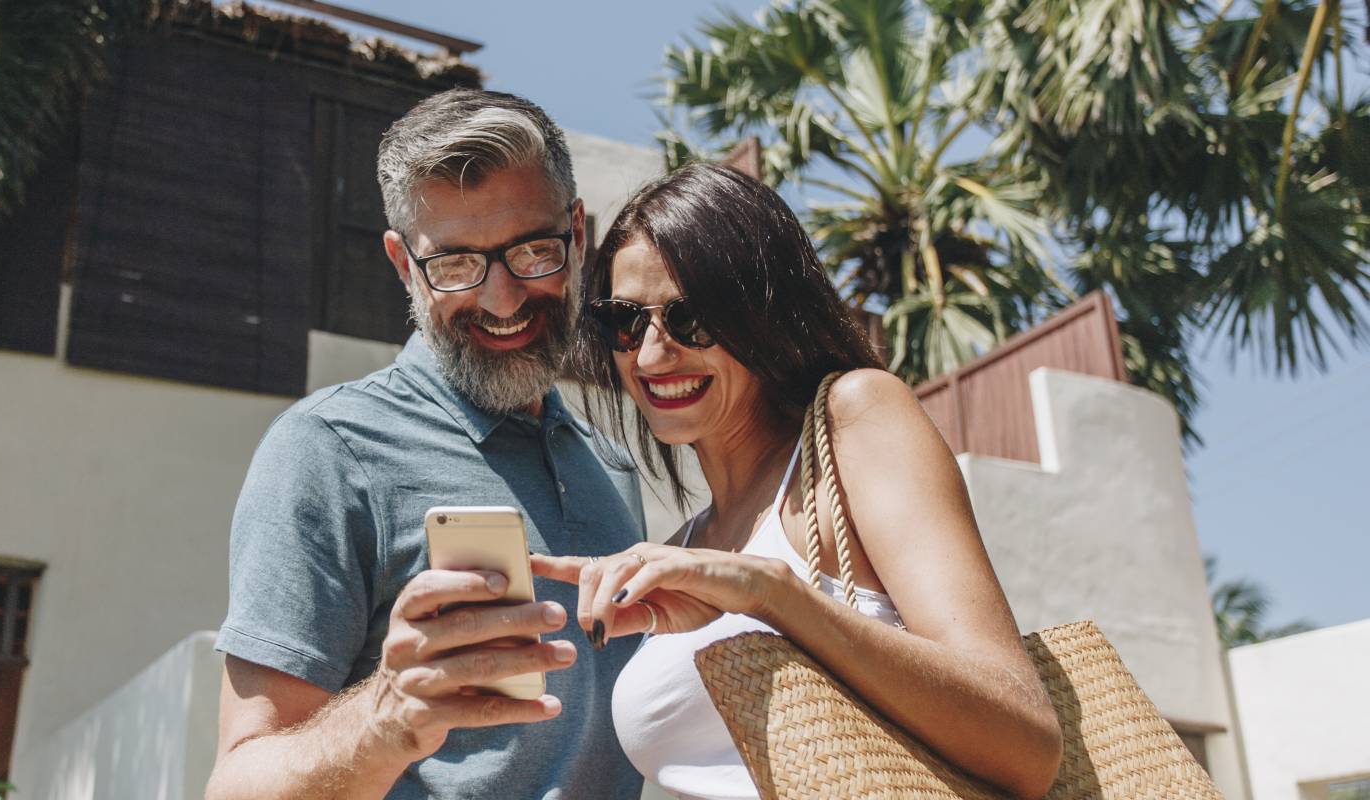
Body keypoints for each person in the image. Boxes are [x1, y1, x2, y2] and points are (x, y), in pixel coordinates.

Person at [532, 163, 1064, 799]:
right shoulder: (686, 547)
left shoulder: (856, 418)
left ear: (763, 312)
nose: (650, 355)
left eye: (690, 318)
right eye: (624, 321)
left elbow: (1028, 743)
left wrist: (775, 595)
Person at [206, 89, 648, 799]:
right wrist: (388, 718)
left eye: (534, 251)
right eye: (454, 264)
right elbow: (237, 784)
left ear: (577, 231)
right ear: (403, 264)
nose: (502, 300)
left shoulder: (612, 465)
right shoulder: (328, 449)